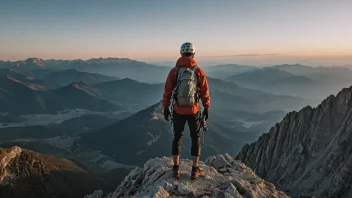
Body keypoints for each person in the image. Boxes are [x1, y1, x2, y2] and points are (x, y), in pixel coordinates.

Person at [163, 42, 210, 180]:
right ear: (193, 54)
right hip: (194, 110)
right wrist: (206, 107)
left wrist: (166, 107)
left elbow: (168, 91)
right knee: (195, 138)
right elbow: (204, 91)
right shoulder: (198, 71)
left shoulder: (174, 71)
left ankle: (176, 169)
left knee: (177, 137)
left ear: (181, 54)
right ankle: (195, 170)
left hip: (178, 109)